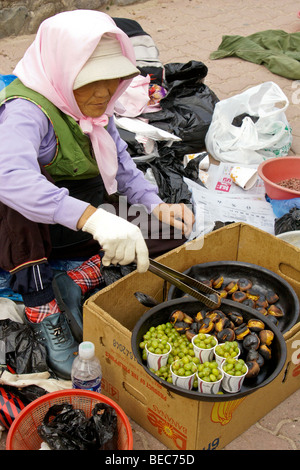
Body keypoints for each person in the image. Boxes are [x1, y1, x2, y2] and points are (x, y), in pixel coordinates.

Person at [0, 10, 195, 379]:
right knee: (14, 204)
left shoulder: (96, 110)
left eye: (112, 80)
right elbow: (8, 175)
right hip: (32, 236)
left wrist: (156, 205)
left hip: (80, 219)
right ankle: (45, 311)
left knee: (173, 233)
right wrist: (95, 219)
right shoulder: (26, 112)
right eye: (89, 81)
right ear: (62, 71)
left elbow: (123, 167)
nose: (104, 92)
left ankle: (75, 282)